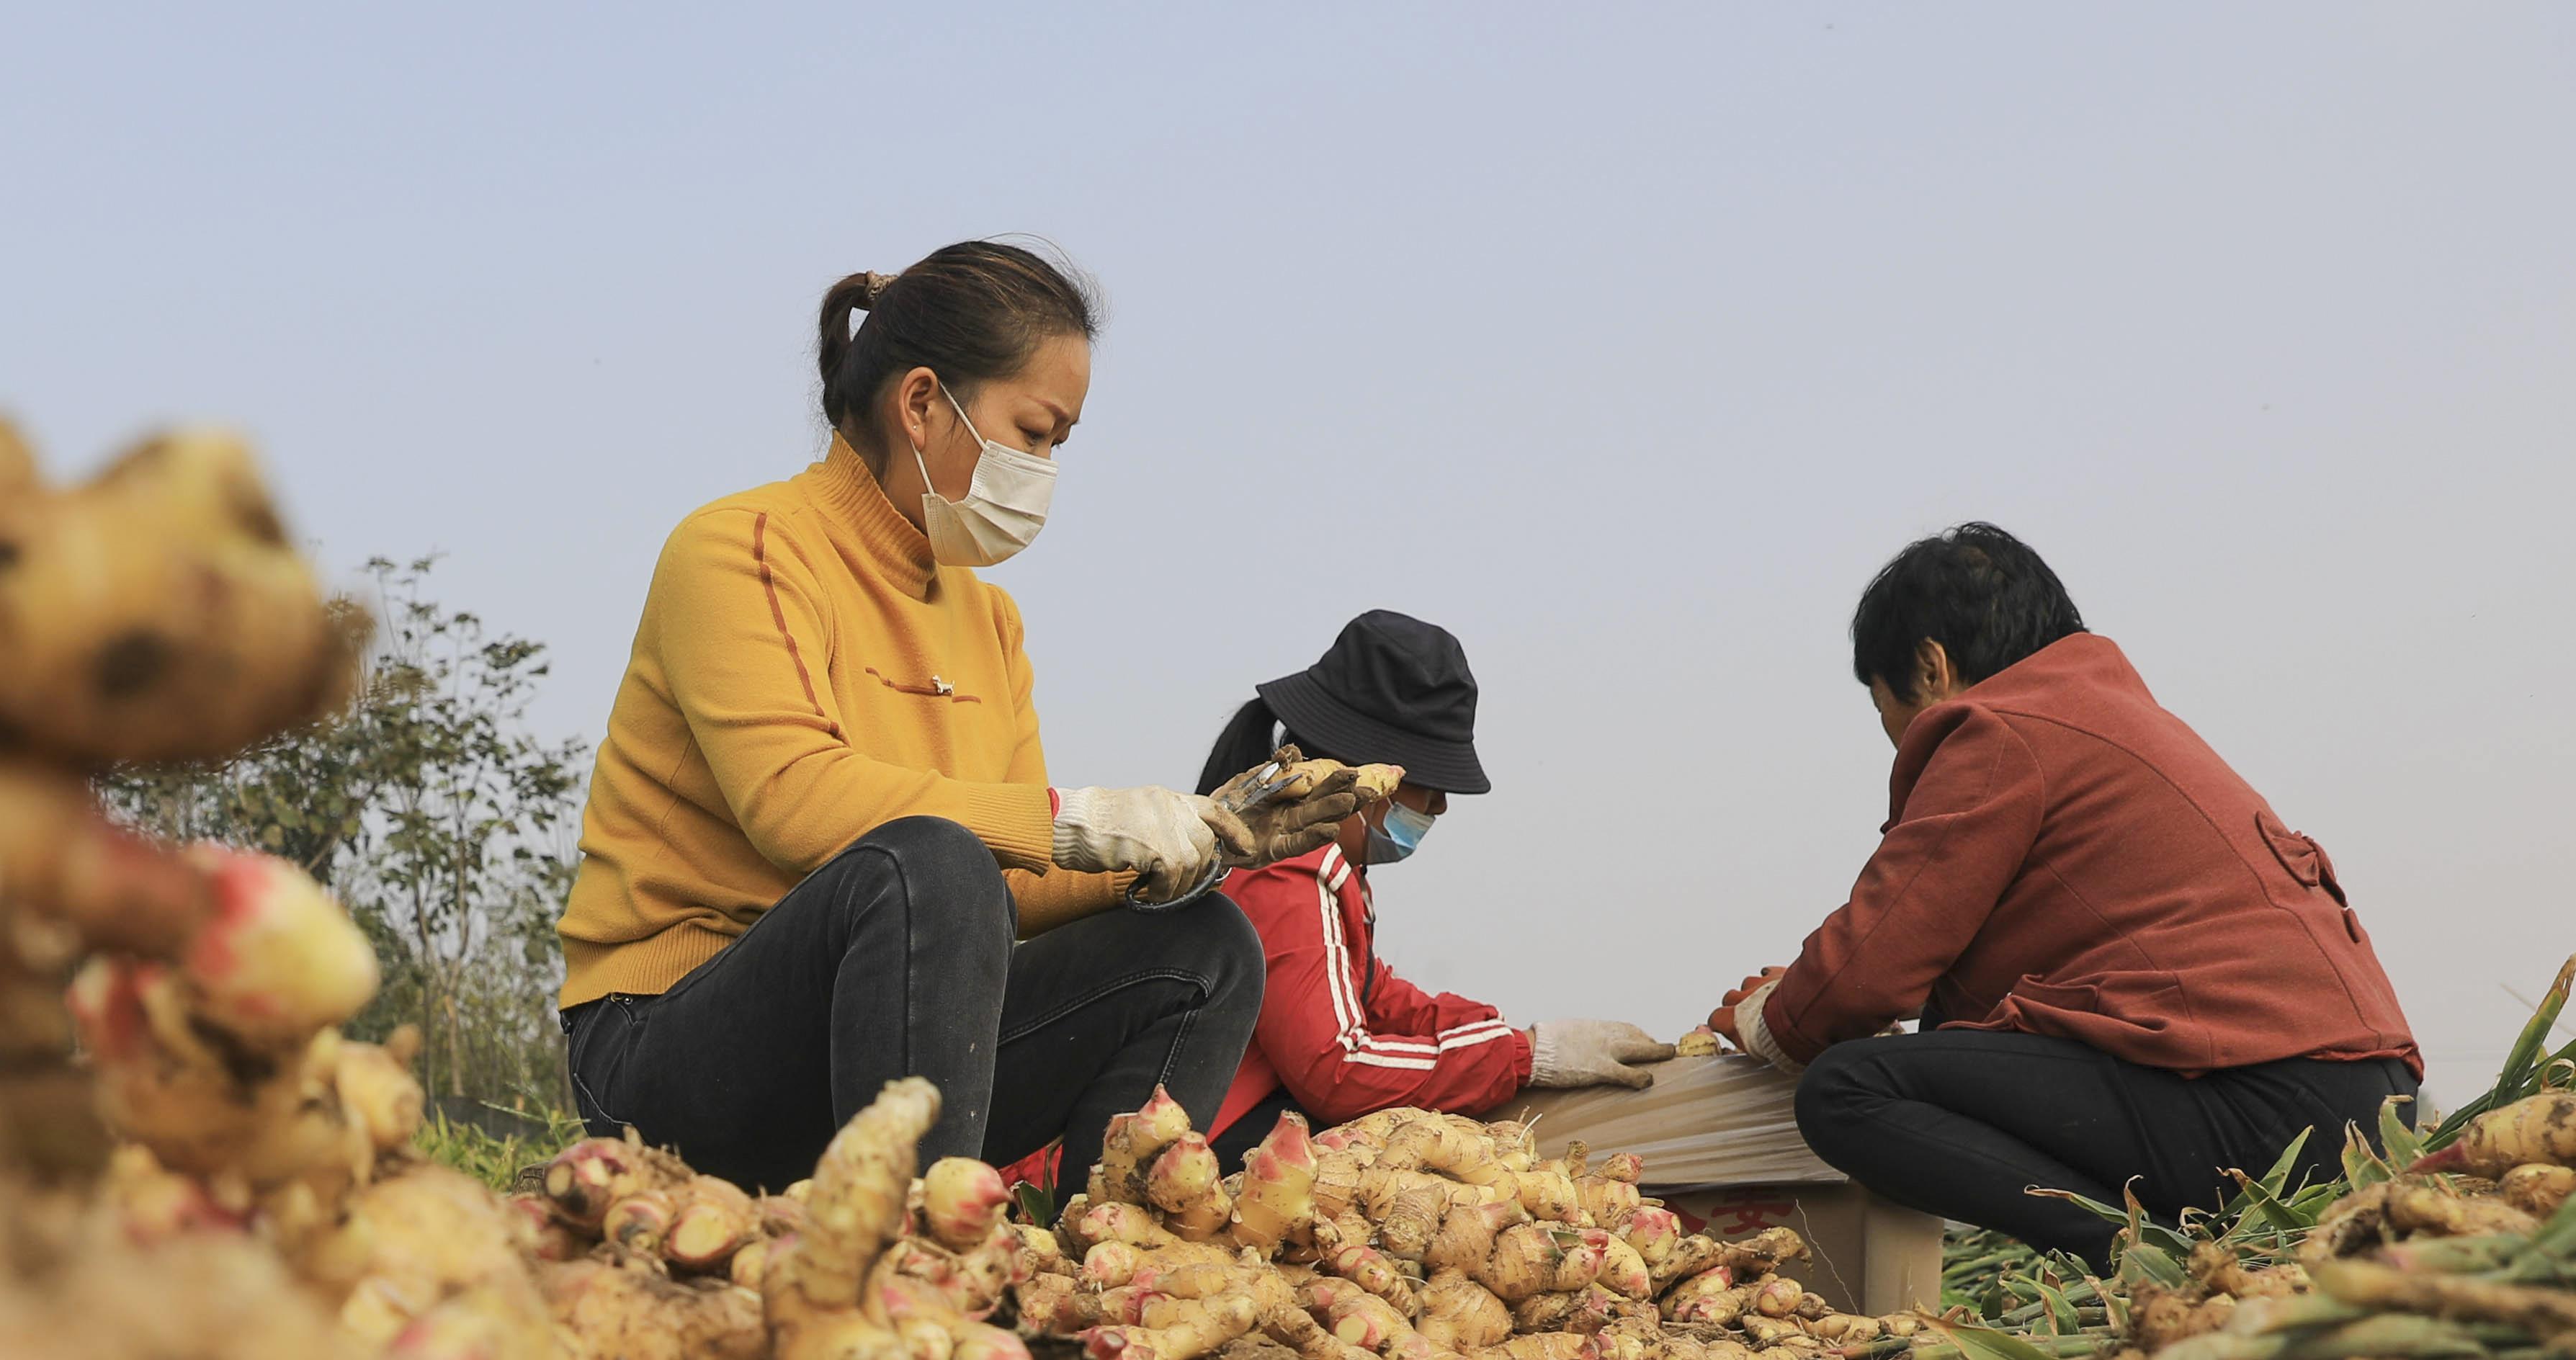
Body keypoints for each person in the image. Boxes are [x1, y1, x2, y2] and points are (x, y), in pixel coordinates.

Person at [554, 240, 1274, 1192]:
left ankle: (1110, 1257)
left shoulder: (989, 618)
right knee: (928, 855)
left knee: (1205, 946)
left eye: (1059, 441)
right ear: (924, 402)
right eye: (1034, 431)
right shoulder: (742, 550)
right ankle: (918, 1269)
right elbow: (795, 803)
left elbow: (1004, 892)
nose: (1046, 465)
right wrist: (1076, 817)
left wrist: (1183, 843)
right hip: (669, 1047)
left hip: (873, 1042)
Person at [1703, 524, 2420, 1261]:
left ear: (1929, 666)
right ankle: (2169, 1250)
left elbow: (1872, 957)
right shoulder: (2112, 720)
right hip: (2363, 1104)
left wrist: (1775, 1021)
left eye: (1883, 709)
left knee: (1843, 1091)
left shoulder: (2001, 729)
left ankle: (2148, 1263)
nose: (1892, 737)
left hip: (2260, 1103)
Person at [1191, 610, 1673, 1165]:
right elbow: (1338, 1069)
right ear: (1366, 778)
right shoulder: (1291, 871)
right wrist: (1525, 1057)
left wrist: (1511, 1037)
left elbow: (1374, 995)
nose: (1439, 806)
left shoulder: (1318, 872)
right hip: (1213, 1144)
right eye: (1429, 785)